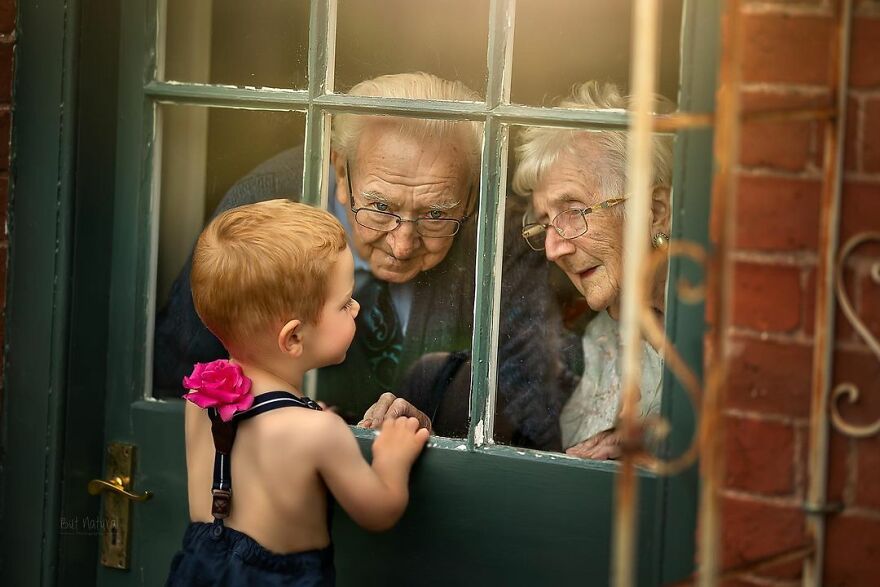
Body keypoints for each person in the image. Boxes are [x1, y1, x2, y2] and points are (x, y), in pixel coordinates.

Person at [154, 72, 579, 451]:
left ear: (472, 195)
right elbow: (179, 382)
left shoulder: (502, 237)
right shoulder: (261, 210)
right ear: (342, 174)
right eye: (380, 207)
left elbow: (533, 408)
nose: (402, 244)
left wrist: (444, 428)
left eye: (436, 214)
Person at [166, 200, 429, 586]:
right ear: (293, 337)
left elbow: (257, 451)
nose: (356, 308)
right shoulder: (318, 432)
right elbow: (379, 512)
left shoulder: (204, 398)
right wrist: (392, 458)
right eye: (343, 304)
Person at [514, 81, 674, 460]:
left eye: (573, 212)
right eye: (545, 222)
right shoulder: (604, 337)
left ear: (656, 210)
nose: (553, 249)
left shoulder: (731, 326)